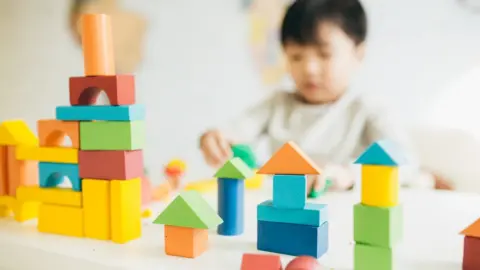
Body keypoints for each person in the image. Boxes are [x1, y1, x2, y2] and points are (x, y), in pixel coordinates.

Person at [199, 0, 437, 193]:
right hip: (285, 213)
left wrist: (347, 175)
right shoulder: (277, 104)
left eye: (324, 54)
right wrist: (215, 138)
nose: (310, 69)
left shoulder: (367, 110)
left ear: (358, 53)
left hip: (346, 221)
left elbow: (405, 165)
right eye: (296, 57)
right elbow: (234, 131)